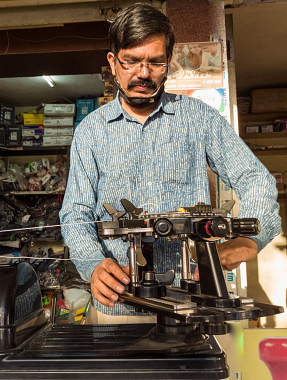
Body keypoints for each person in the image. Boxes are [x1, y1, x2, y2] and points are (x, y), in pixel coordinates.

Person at [59, 3, 281, 323]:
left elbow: (255, 178)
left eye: (155, 61)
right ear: (113, 62)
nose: (143, 73)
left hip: (191, 306)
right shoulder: (90, 132)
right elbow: (75, 212)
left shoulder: (199, 118)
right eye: (131, 61)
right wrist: (93, 263)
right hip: (119, 306)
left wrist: (250, 238)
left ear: (169, 63)